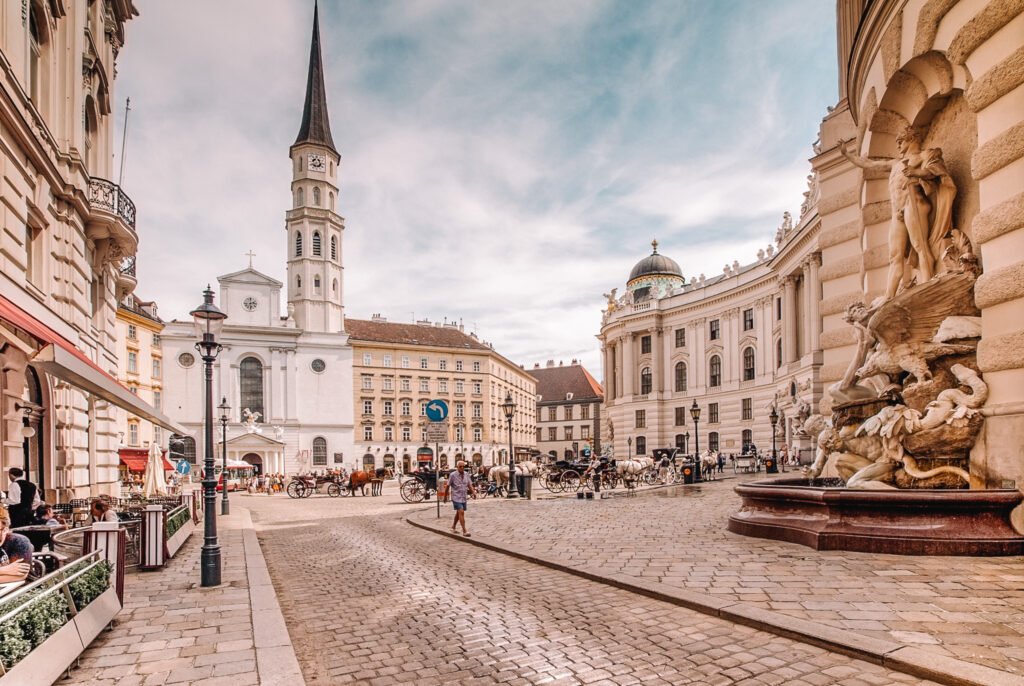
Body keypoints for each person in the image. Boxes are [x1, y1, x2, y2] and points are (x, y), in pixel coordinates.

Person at [0, 510, 32, 583]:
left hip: (22, 589)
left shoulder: (18, 541)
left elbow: (21, 575)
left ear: (5, 530)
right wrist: (5, 569)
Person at [447, 461, 474, 537]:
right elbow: (448, 486)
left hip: (463, 497)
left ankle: (453, 527)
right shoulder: (452, 475)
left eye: (463, 466)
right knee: (461, 512)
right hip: (456, 497)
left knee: (459, 513)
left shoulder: (466, 474)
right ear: (457, 467)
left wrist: (473, 492)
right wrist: (446, 496)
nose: (462, 468)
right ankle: (464, 530)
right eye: (460, 467)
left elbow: (469, 484)